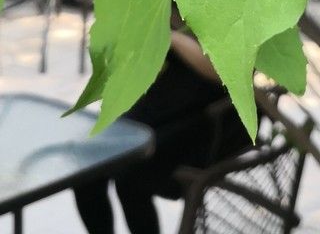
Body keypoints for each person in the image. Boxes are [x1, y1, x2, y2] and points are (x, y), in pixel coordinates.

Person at [74, 26, 254, 234]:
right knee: (87, 166)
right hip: (158, 105)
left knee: (131, 179)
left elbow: (226, 71)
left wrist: (172, 38)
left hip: (204, 118)